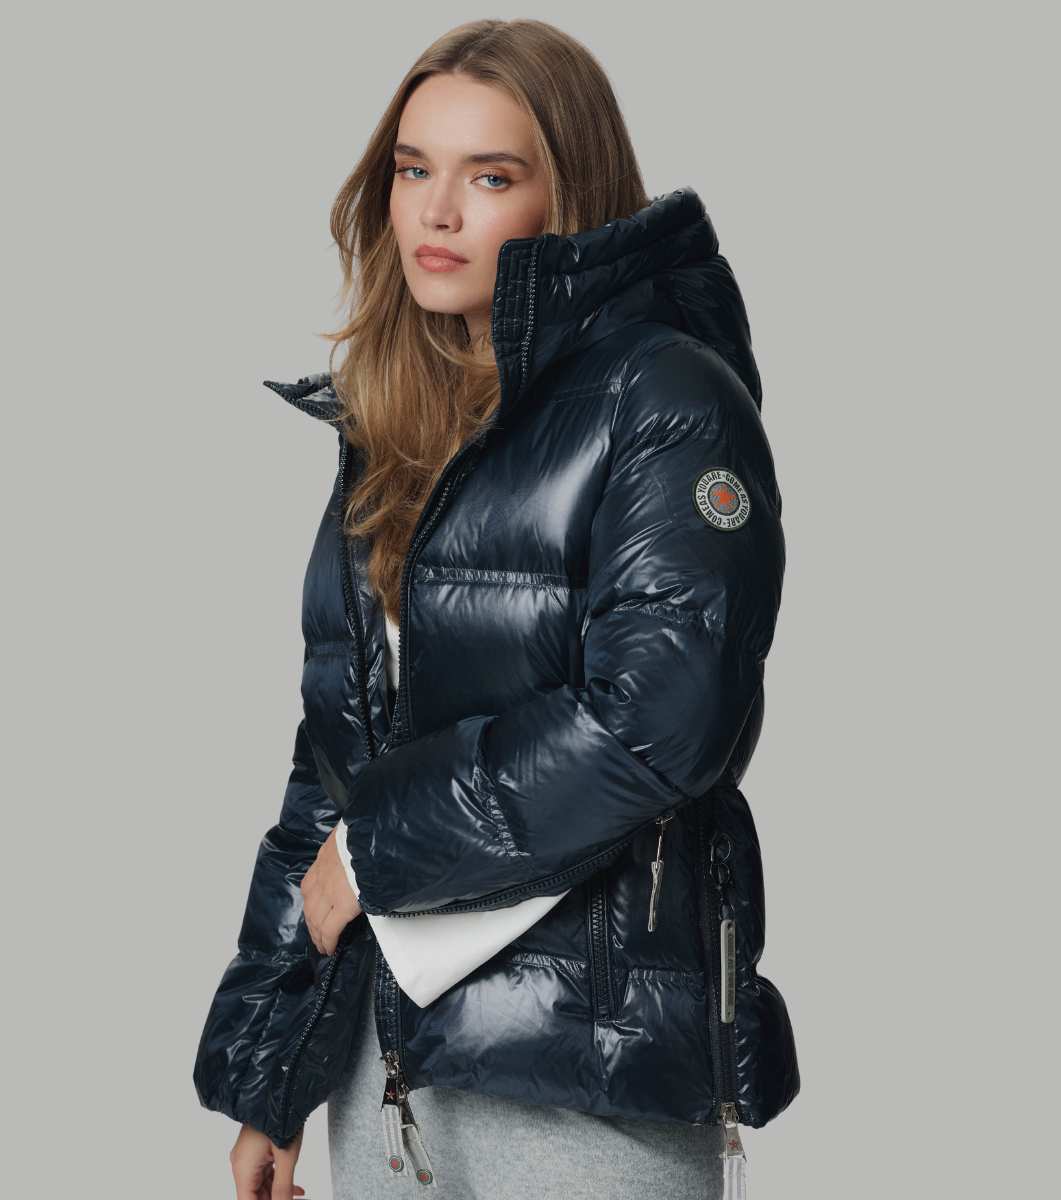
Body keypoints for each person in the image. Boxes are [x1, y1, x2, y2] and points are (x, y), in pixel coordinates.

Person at [193, 17, 800, 1200]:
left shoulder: (665, 398)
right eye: (413, 168)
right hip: (388, 1073)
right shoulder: (399, 425)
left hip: (586, 1070)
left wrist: (375, 850)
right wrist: (270, 1077)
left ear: (567, 193)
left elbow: (658, 724)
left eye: (490, 176)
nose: (436, 211)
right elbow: (333, 768)